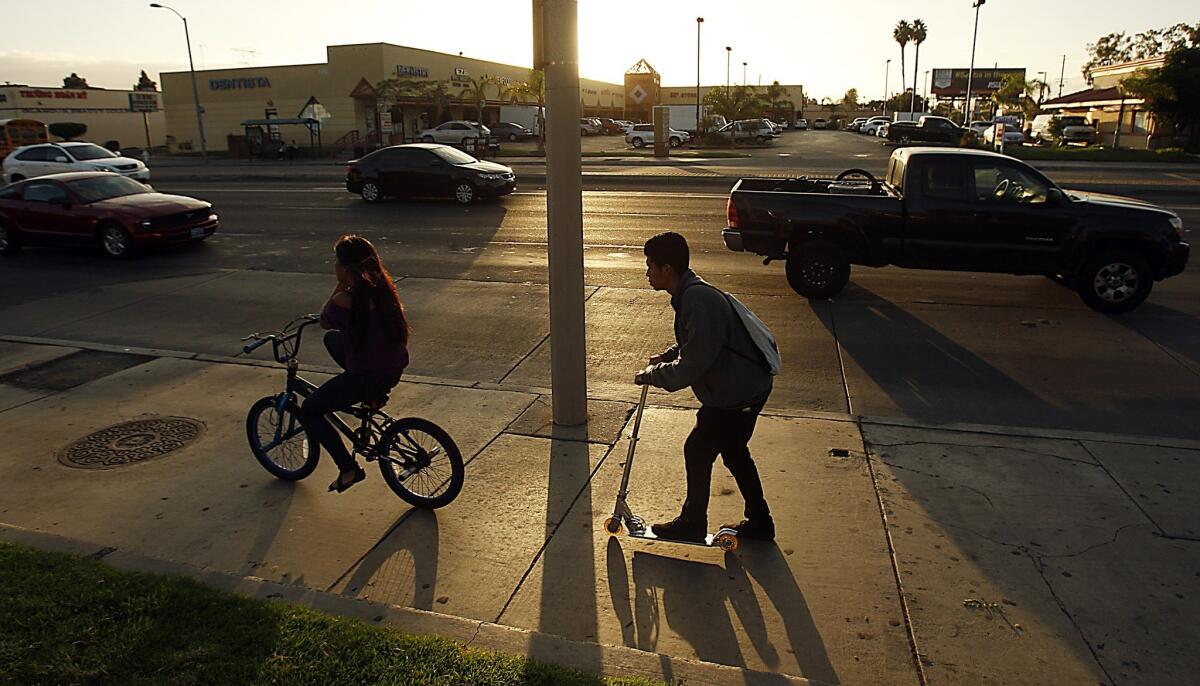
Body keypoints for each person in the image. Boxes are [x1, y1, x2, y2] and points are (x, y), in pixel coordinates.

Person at [635, 231, 776, 542]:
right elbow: (700, 342)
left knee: (700, 449)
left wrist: (653, 374)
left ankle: (694, 522)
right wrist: (669, 354)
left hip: (738, 393)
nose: (647, 273)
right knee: (731, 452)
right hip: (735, 390)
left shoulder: (697, 298)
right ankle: (759, 521)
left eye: (650, 266)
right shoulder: (690, 294)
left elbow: (694, 364)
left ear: (667, 269)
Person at [299, 235, 410, 493]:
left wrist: (341, 284)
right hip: (393, 367)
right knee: (333, 341)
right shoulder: (384, 292)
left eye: (336, 262)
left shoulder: (344, 301)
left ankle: (348, 469)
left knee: (310, 410)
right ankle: (371, 396)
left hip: (368, 374)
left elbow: (325, 320)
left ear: (346, 268)